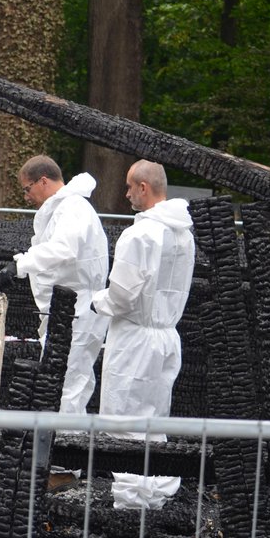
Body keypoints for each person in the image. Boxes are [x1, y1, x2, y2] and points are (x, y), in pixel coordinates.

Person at [0, 155, 109, 415]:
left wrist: (20, 266)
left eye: (27, 188)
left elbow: (63, 248)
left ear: (43, 181)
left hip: (77, 312)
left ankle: (63, 450)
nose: (26, 197)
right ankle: (65, 447)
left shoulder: (72, 208)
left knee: (65, 387)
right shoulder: (66, 208)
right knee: (70, 385)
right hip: (72, 311)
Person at [91, 160, 195, 441]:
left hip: (135, 340)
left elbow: (122, 296)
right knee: (154, 422)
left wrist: (98, 301)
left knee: (124, 423)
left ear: (143, 187)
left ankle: (130, 486)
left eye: (129, 187)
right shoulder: (184, 234)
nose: (127, 194)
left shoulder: (139, 234)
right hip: (166, 338)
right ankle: (156, 485)